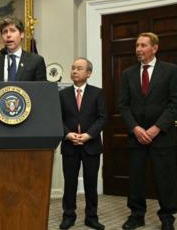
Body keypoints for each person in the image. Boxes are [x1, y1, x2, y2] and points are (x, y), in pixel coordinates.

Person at [119, 32, 177, 230]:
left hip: (162, 136)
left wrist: (156, 128)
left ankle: (167, 217)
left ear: (154, 48)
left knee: (165, 178)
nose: (138, 49)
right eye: (137, 45)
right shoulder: (127, 74)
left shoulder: (171, 71)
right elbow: (123, 105)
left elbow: (175, 104)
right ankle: (136, 215)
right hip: (136, 136)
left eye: (143, 45)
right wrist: (136, 128)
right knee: (136, 178)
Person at [59, 58, 107, 230]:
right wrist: (67, 134)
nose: (74, 71)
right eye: (73, 68)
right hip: (70, 145)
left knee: (91, 183)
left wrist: (89, 135)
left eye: (79, 68)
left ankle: (91, 217)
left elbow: (102, 118)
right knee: (69, 183)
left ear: (88, 73)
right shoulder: (62, 94)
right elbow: (58, 119)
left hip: (91, 145)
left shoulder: (97, 93)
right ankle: (68, 215)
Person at [0, 16, 46, 81]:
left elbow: (41, 89)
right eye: (5, 32)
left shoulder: (36, 61)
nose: (8, 35)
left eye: (12, 31)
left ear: (22, 34)